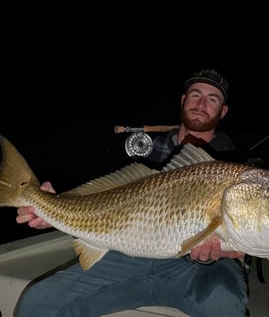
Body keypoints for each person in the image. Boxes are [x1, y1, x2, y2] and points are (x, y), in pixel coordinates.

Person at [14, 69, 249, 317]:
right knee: (38, 302)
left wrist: (232, 250)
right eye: (195, 95)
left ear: (222, 112)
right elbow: (108, 204)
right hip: (128, 257)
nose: (201, 104)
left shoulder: (233, 165)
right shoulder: (147, 151)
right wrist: (53, 208)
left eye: (212, 99)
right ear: (183, 100)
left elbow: (245, 240)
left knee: (224, 304)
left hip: (199, 270)